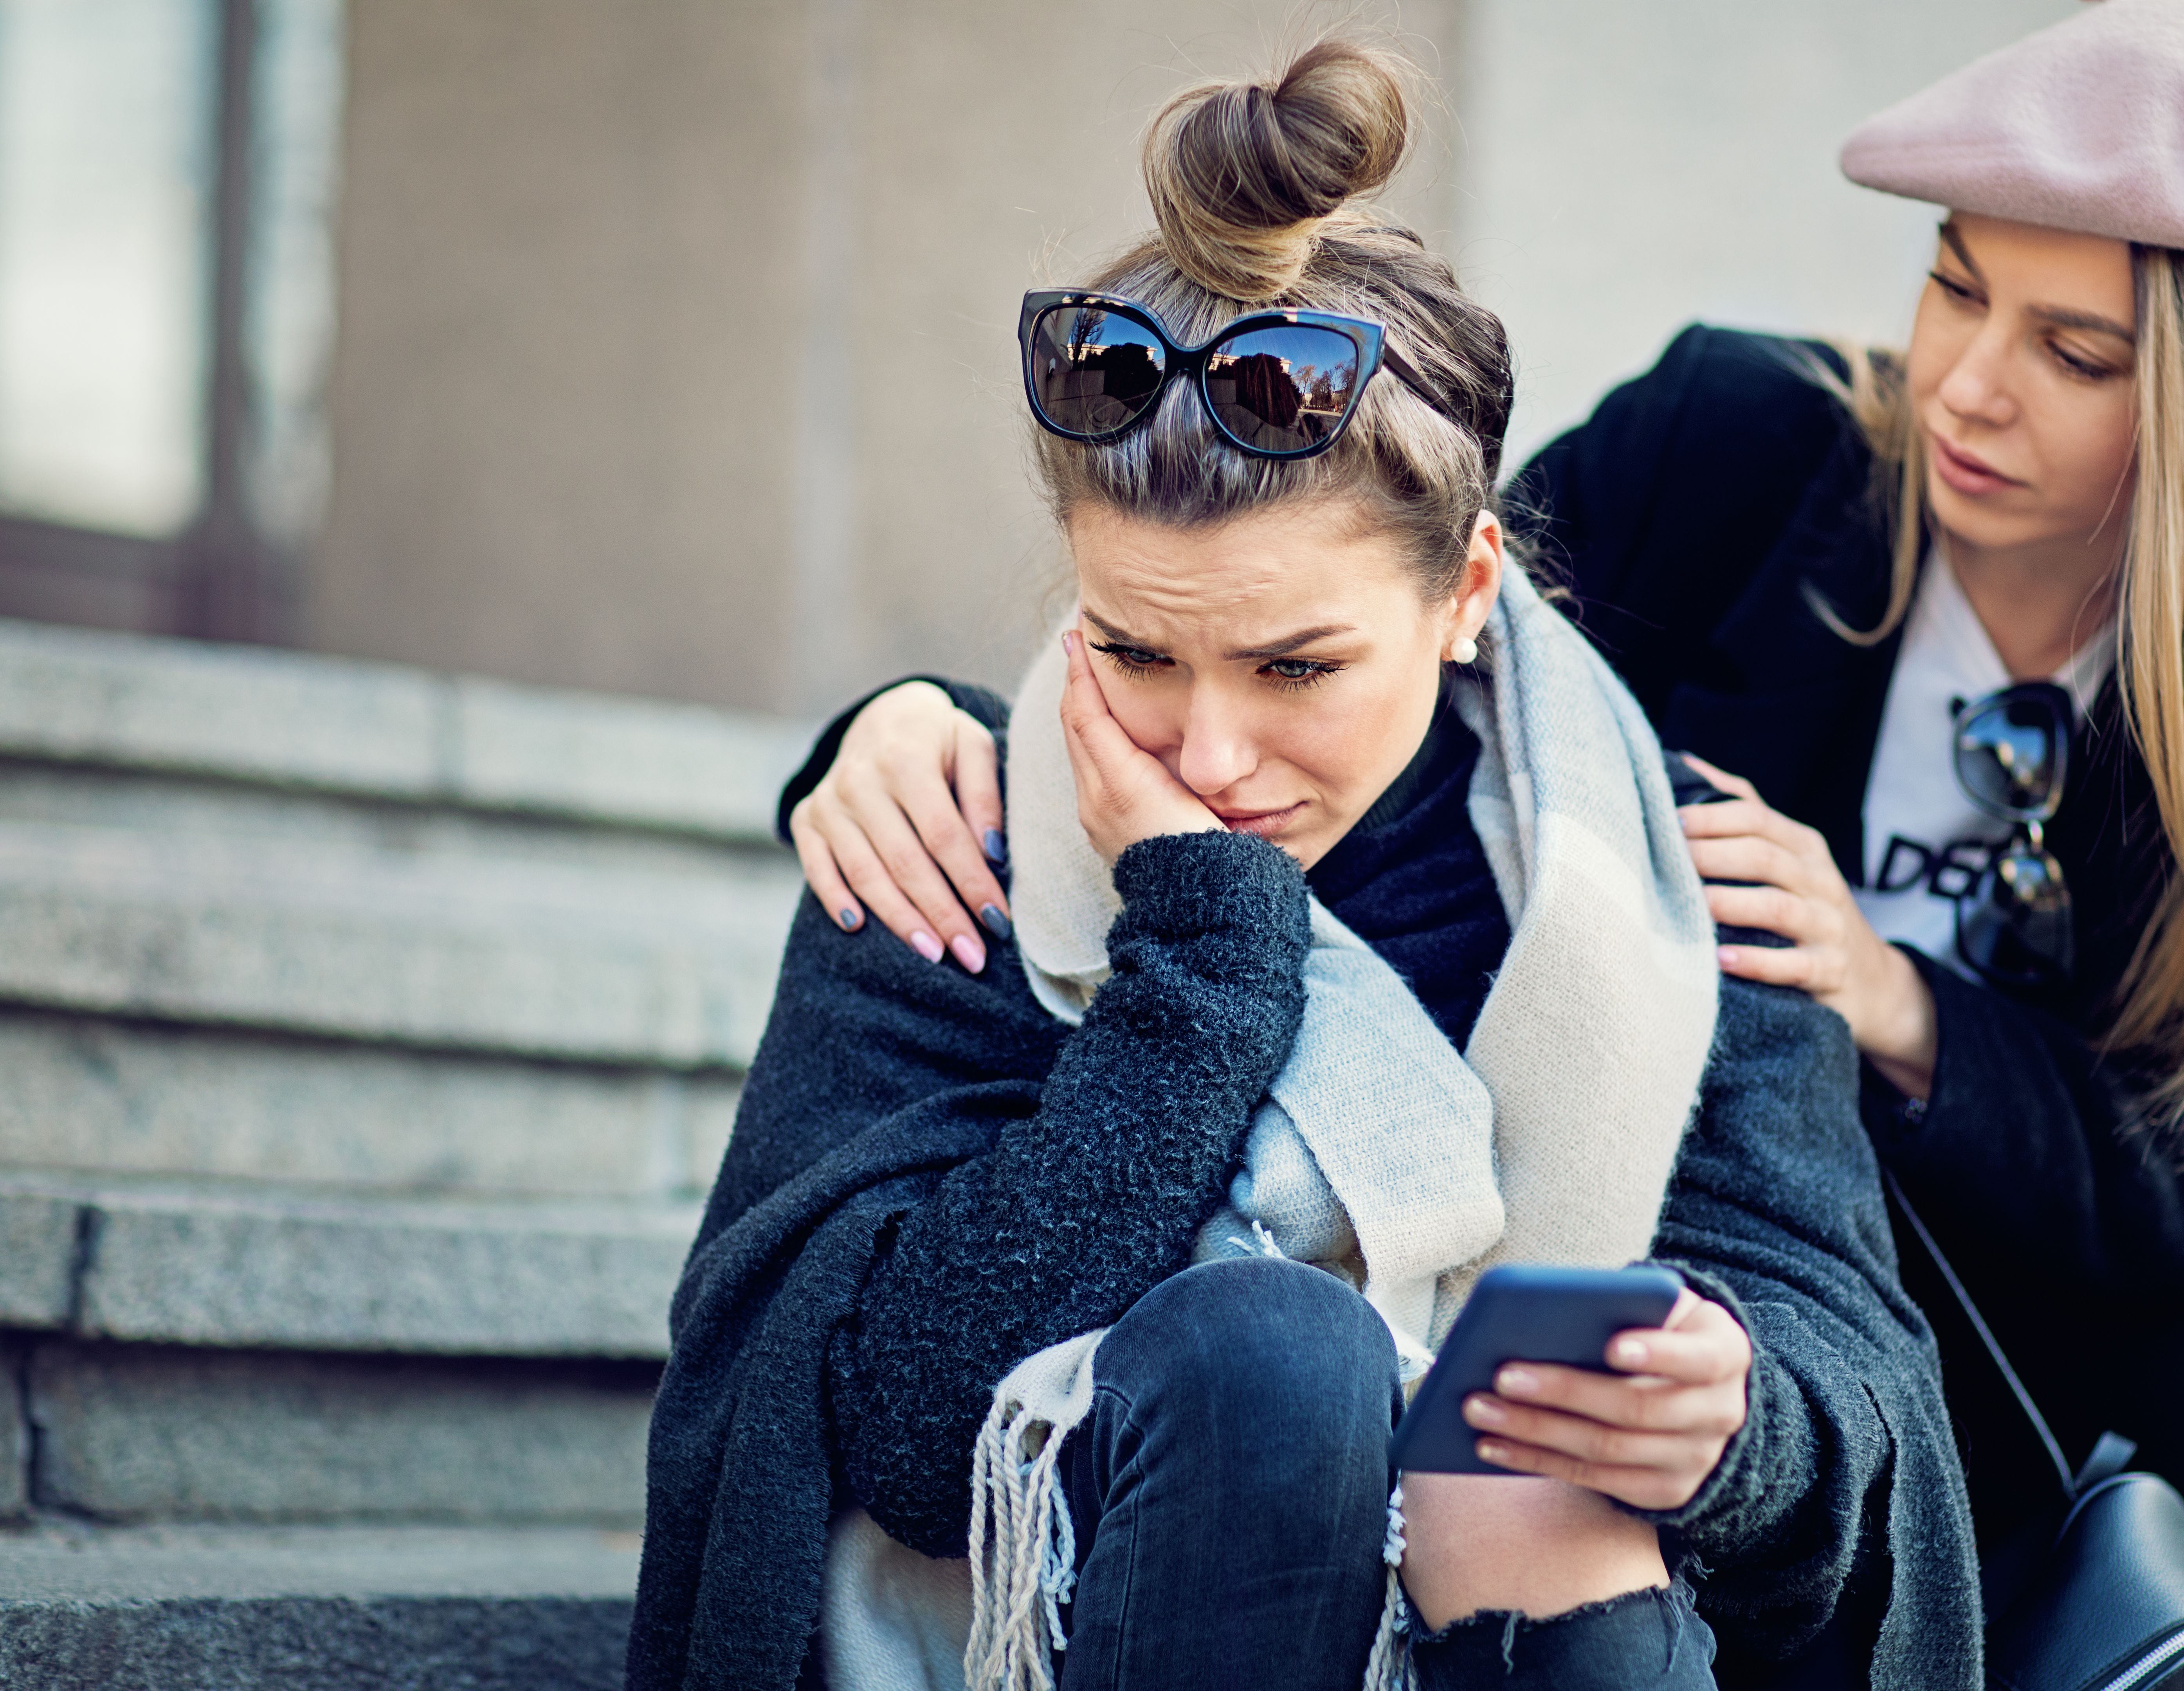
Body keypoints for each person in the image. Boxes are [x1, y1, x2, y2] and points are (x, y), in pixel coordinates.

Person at [772, 4, 2184, 1687]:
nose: (1968, 387)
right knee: (1443, 1380)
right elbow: (1341, 568)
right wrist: (925, 725)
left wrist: (1895, 1004)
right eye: (1953, 287)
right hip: (1682, 1158)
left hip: (1931, 1210)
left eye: (2074, 354)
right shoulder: (1755, 445)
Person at [631, 38, 1980, 1691]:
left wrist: (1742, 1417)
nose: (1207, 758)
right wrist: (1205, 956)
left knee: (1517, 1449)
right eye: (1132, 651)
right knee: (1273, 1354)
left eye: (1294, 669)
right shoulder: (948, 846)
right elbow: (900, 1433)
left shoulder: (1667, 884)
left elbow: (1849, 1383)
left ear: (1469, 589)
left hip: (1549, 1622)